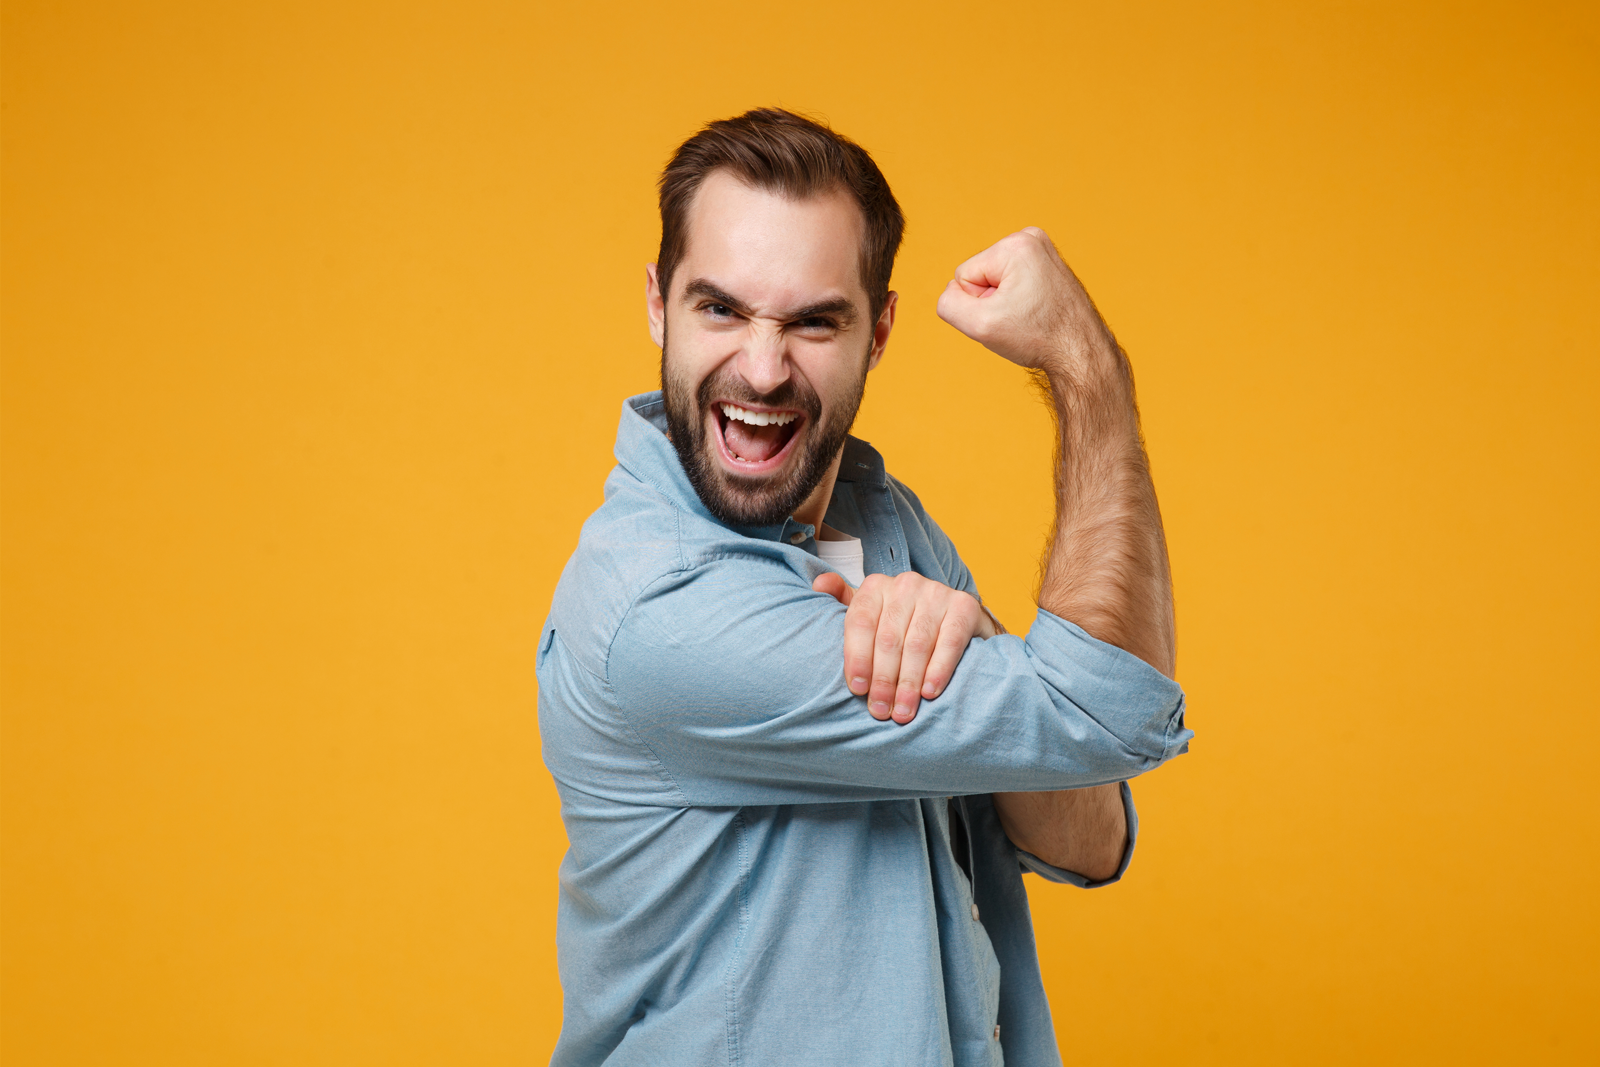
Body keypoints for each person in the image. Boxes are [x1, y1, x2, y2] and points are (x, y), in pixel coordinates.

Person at [536, 108, 1190, 1067]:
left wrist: (976, 643)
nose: (762, 369)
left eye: (813, 320)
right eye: (720, 308)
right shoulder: (659, 610)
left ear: (879, 330)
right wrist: (1090, 369)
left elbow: (1088, 830)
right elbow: (1108, 712)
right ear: (656, 305)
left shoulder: (886, 523)